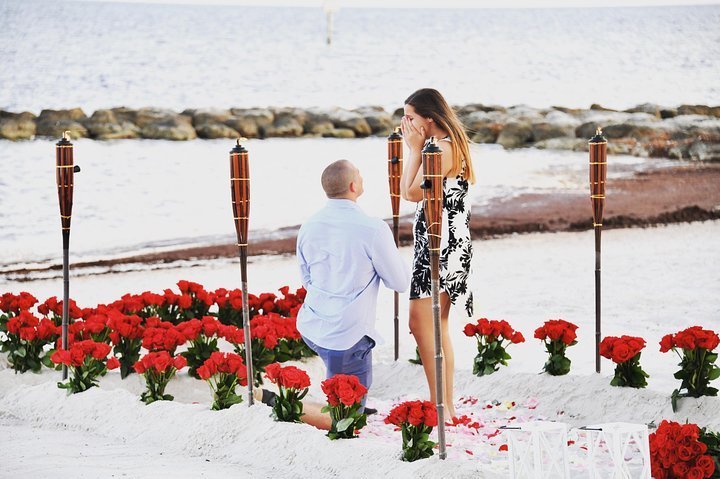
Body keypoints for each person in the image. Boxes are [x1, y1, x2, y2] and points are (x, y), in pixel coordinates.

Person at [294, 159, 410, 412]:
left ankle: (348, 408)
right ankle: (345, 413)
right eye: (359, 174)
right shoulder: (372, 228)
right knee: (347, 409)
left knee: (342, 383)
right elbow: (400, 282)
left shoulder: (308, 226)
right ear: (353, 185)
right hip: (349, 331)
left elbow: (306, 277)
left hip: (314, 323)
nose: (362, 177)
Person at [400, 88, 476, 419]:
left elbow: (411, 192)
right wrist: (417, 148)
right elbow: (409, 192)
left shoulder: (441, 150)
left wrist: (414, 150)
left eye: (410, 118)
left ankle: (441, 405)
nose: (405, 125)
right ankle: (443, 404)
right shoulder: (440, 147)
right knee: (432, 322)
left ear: (429, 119)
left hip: (441, 245)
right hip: (437, 241)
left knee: (424, 321)